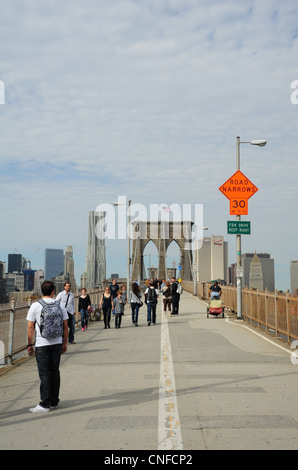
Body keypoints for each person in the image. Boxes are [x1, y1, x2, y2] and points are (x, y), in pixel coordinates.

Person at [26, 280, 68, 412]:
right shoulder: (60, 305)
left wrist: (29, 344)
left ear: (41, 291)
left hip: (41, 344)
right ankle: (54, 401)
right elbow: (66, 326)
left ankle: (45, 403)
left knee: (44, 374)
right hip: (56, 343)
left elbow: (30, 327)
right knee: (55, 372)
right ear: (53, 292)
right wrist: (65, 342)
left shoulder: (35, 305)